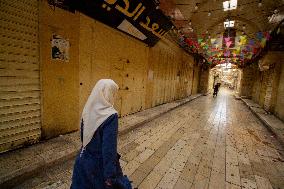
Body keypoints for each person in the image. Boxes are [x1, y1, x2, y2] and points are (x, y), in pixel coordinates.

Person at [71, 79, 132, 189]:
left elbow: (83, 139)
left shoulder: (87, 110)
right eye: (113, 93)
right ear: (108, 94)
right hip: (98, 167)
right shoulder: (111, 116)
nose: (114, 97)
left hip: (82, 162)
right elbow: (109, 150)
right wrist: (110, 177)